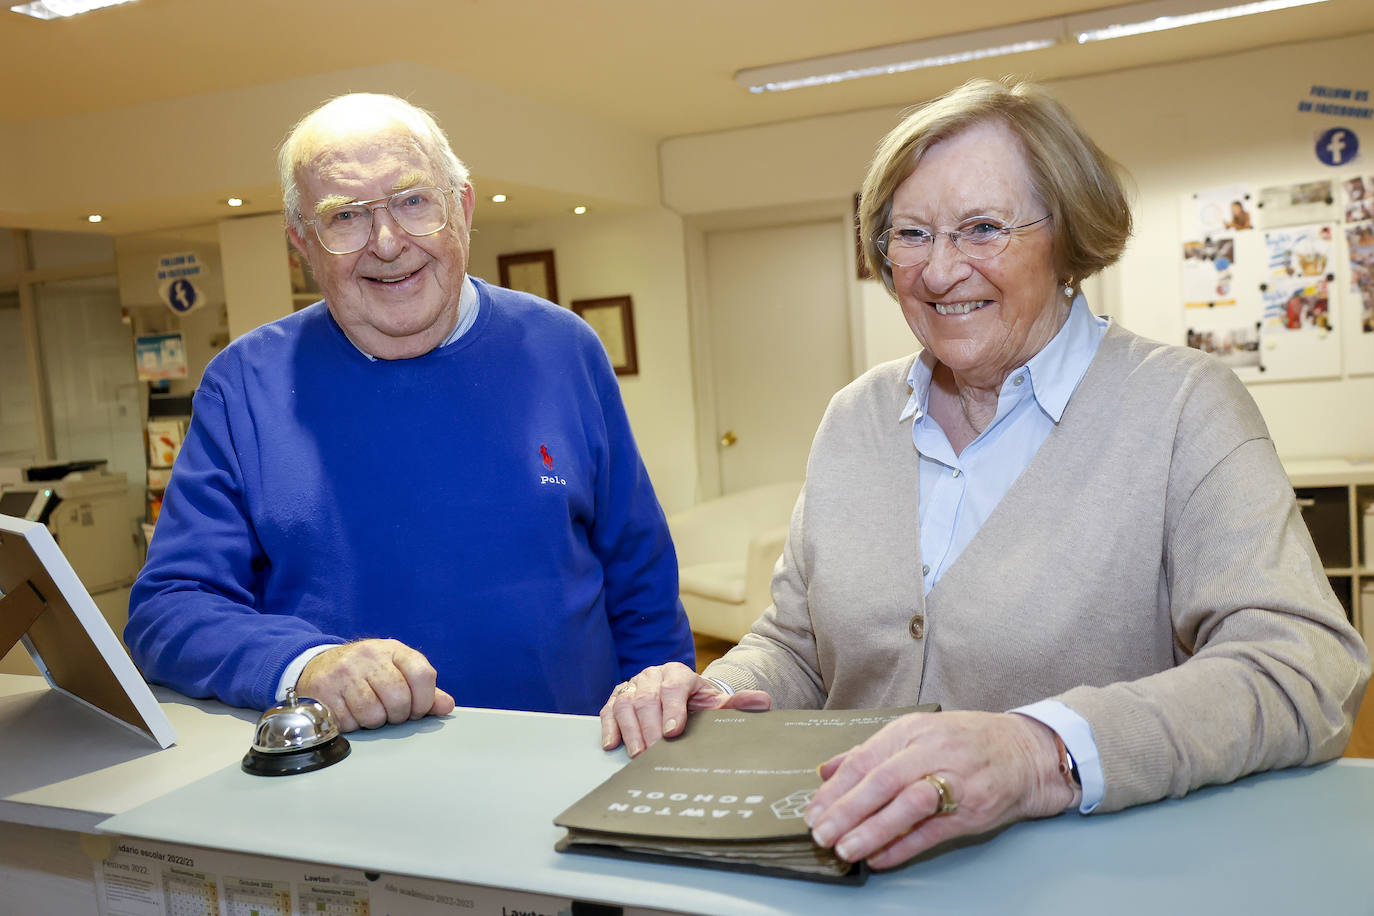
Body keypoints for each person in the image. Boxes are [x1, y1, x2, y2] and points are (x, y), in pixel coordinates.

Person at [600, 78, 1368, 870]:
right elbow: (799, 645)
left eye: (982, 228)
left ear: (1066, 237)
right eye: (911, 234)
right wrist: (722, 693)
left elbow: (1301, 669)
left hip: (1088, 881)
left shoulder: (1183, 406)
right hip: (843, 863)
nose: (939, 271)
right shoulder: (855, 418)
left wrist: (1042, 751)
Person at [127, 93, 694, 730]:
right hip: (344, 781)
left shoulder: (563, 348)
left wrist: (664, 731)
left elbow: (639, 578)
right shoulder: (244, 385)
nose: (388, 243)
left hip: (569, 763)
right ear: (302, 244)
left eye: (413, 200)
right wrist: (305, 665)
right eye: (344, 216)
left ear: (464, 208)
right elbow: (169, 608)